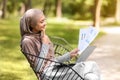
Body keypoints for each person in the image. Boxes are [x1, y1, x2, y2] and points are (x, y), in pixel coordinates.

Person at [20, 9, 101, 80]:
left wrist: (69, 55)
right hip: (49, 75)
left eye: (45, 20)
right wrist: (44, 45)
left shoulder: (42, 35)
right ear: (31, 24)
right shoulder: (27, 41)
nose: (45, 23)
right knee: (91, 65)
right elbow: (38, 68)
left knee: (90, 77)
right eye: (41, 22)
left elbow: (52, 61)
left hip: (57, 70)